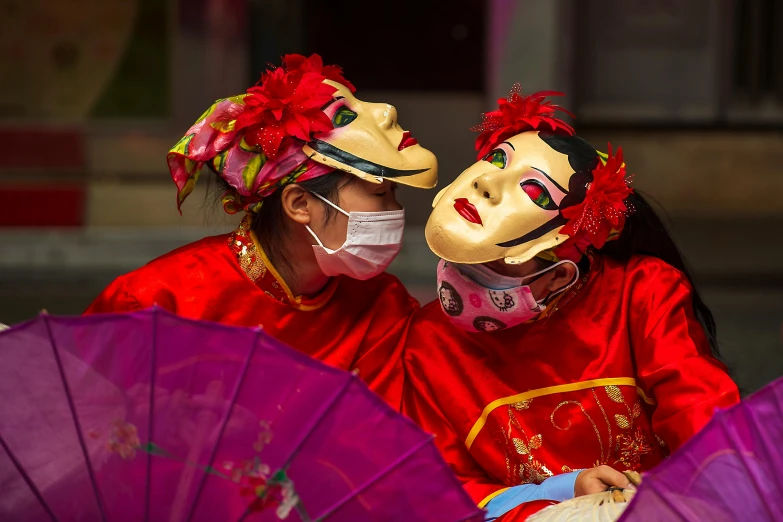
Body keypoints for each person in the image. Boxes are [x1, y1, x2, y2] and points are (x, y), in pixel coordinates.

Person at [402, 86, 740, 520]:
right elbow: (444, 487)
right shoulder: (427, 342)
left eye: (535, 190)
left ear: (559, 275)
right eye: (498, 160)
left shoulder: (641, 294)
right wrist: (561, 497)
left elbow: (701, 413)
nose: (457, 276)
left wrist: (713, 490)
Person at [86, 54, 438, 407]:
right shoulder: (158, 302)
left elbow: (380, 440)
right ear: (299, 204)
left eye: (394, 195)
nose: (394, 213)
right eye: (380, 194)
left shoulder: (382, 308)